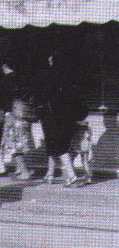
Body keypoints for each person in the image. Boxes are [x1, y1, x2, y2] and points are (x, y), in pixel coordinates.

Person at [37, 53, 83, 186]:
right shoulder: (70, 76)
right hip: (68, 116)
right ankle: (52, 174)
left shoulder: (47, 76)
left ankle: (72, 176)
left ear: (51, 62)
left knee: (57, 146)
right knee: (62, 145)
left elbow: (42, 96)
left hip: (52, 116)